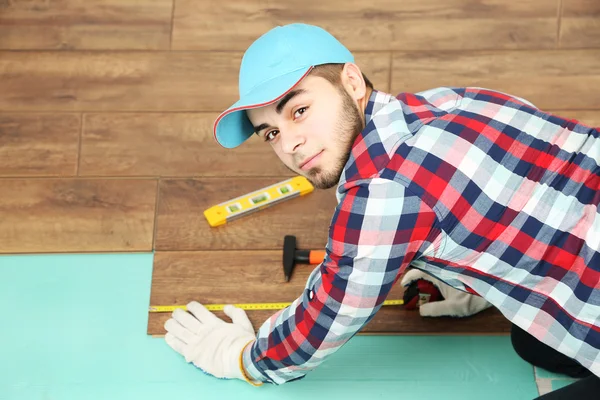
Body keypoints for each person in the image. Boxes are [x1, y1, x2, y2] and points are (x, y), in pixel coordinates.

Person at [162, 23, 600, 398]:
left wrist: (242, 357)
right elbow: (541, 176)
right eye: (270, 132)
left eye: (299, 110)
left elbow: (327, 316)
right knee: (538, 345)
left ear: (351, 82)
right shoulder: (452, 101)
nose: (289, 144)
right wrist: (473, 267)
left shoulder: (381, 195)